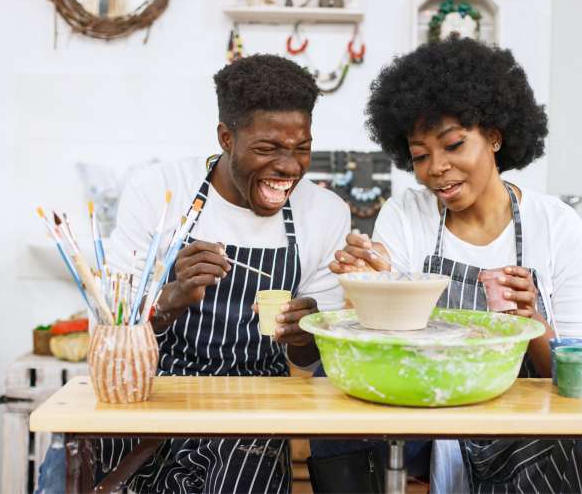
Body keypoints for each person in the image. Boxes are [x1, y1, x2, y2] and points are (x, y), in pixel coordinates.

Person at [326, 36, 582, 493]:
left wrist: (532, 321)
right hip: (433, 416)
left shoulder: (557, 226)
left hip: (533, 430)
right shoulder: (407, 216)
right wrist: (375, 290)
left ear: (495, 136)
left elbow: (577, 378)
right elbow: (386, 352)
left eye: (453, 145)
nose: (436, 167)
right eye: (420, 155)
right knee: (336, 435)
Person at [37, 54, 351, 494]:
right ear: (226, 137)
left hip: (253, 418)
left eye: (301, 148)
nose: (289, 167)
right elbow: (107, 329)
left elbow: (309, 362)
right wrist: (167, 299)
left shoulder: (325, 213)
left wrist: (306, 332)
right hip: (149, 397)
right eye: (267, 149)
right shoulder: (159, 191)